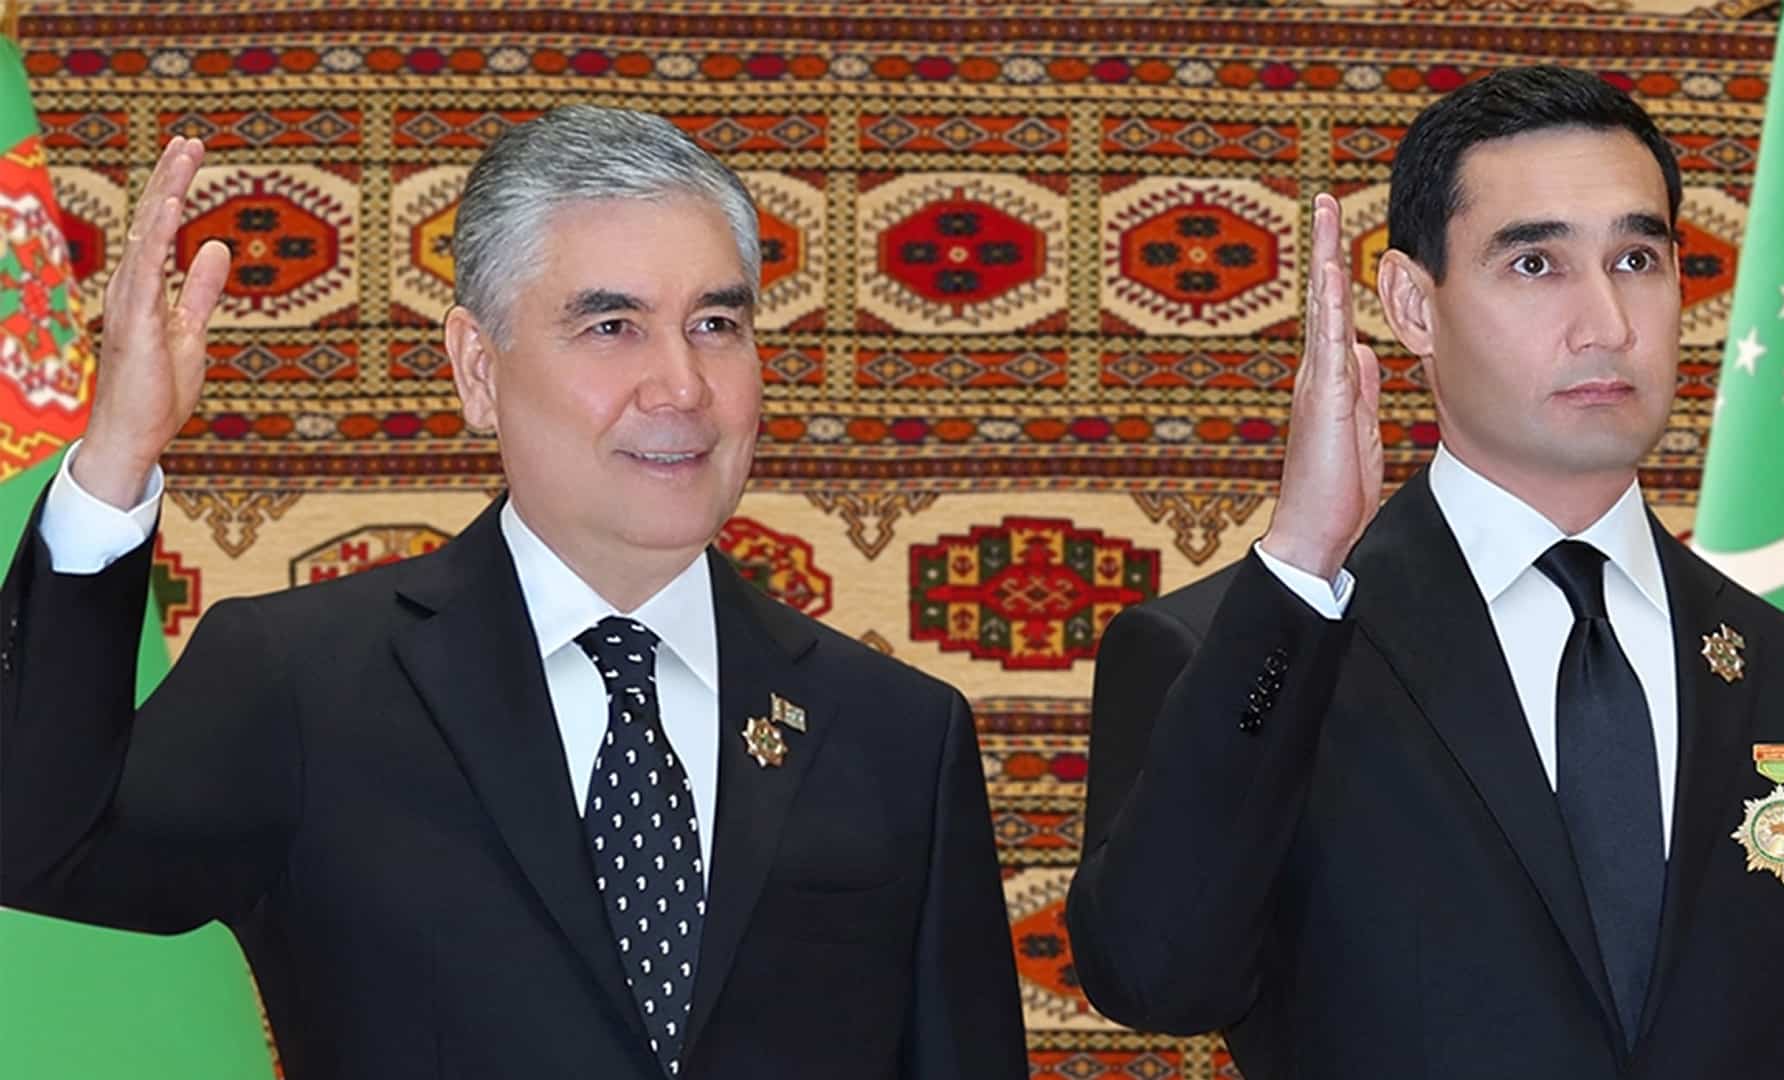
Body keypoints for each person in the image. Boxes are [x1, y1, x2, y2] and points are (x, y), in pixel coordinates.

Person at [0, 107, 1025, 1080]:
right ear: (478, 371)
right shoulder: (302, 684)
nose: (681, 386)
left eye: (715, 323)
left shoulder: (897, 735)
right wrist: (115, 459)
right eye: (613, 326)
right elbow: (32, 843)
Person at [1067, 66, 1784, 1078]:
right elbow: (1152, 976)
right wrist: (1299, 561)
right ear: (1411, 305)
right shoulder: (1250, 652)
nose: (1606, 323)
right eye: (1535, 264)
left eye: (1637, 258)